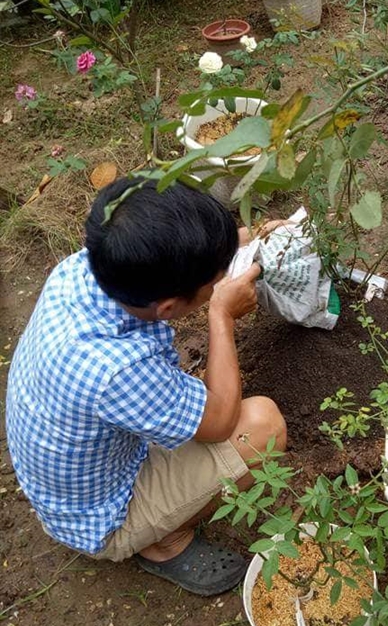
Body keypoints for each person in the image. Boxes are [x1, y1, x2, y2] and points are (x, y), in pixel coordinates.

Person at [5, 176, 287, 596]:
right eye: (211, 281)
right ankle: (162, 543)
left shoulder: (88, 268)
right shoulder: (117, 370)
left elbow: (174, 253)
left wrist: (252, 239)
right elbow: (221, 423)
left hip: (70, 479)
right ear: (170, 307)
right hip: (102, 518)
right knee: (263, 426)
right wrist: (221, 317)